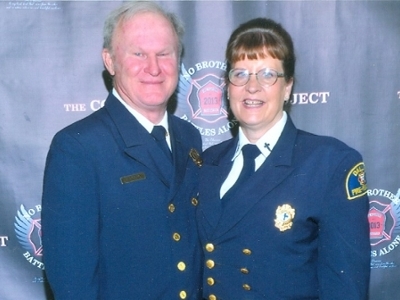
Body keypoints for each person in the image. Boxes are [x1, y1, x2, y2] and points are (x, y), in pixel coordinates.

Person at [196, 18, 370, 300]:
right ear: (227, 86)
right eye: (240, 74)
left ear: (288, 87)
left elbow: (346, 288)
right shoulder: (207, 163)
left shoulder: (330, 164)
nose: (252, 87)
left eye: (267, 75)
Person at [41, 2, 203, 299]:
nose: (153, 68)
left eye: (164, 54)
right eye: (138, 53)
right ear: (110, 61)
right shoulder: (78, 147)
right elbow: (73, 283)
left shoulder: (189, 137)